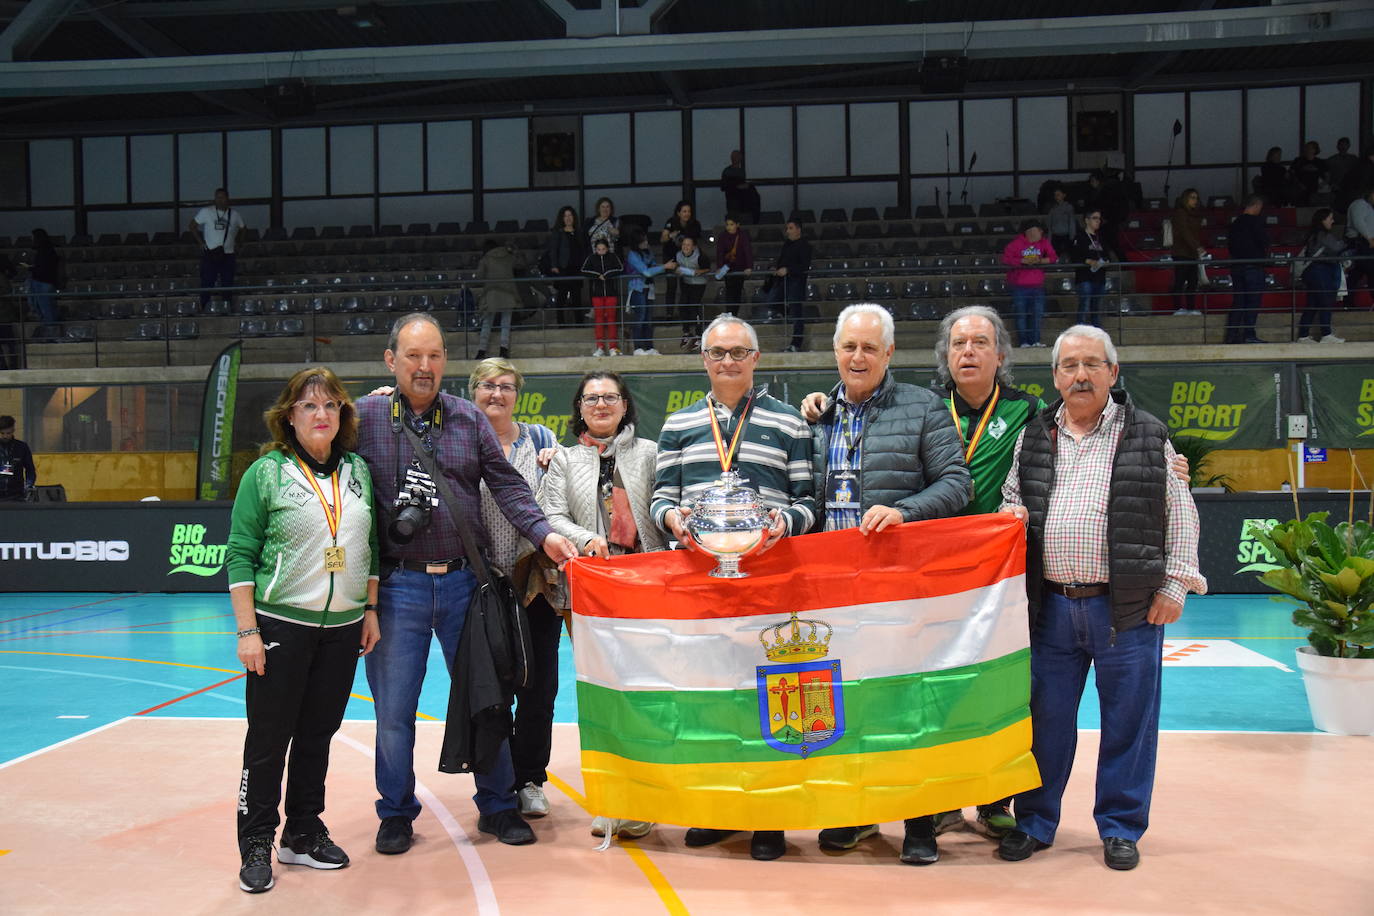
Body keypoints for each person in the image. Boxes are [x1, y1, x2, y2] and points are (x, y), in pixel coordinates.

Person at [354, 313, 577, 856]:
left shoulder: (467, 419)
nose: (424, 367)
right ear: (391, 361)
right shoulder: (360, 418)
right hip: (398, 588)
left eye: (434, 356)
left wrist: (544, 534)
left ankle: (498, 806)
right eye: (412, 356)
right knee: (393, 711)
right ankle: (396, 813)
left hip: (464, 585)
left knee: (488, 699)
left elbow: (507, 487)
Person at [997, 325, 1206, 872]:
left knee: (1129, 724)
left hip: (1128, 609)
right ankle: (1035, 824)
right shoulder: (1035, 435)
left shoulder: (1147, 433)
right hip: (1052, 608)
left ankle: (1120, 828)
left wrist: (1174, 585)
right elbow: (1012, 497)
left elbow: (1179, 513)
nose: (1081, 375)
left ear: (1114, 373)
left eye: (1093, 364)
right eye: (1069, 365)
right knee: (1045, 725)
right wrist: (1010, 515)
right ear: (1056, 377)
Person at [799, 303, 971, 865]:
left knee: (906, 704)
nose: (858, 356)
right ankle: (857, 814)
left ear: (889, 353)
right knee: (845, 704)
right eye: (849, 346)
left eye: (869, 347)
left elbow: (956, 483)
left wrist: (905, 512)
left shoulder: (922, 407)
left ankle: (920, 822)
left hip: (899, 588)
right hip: (831, 590)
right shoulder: (816, 416)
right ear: (835, 350)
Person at [652, 313, 817, 862]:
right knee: (710, 697)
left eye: (738, 352)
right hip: (700, 586)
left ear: (756, 359)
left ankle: (768, 817)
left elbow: (808, 502)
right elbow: (659, 498)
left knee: (768, 696)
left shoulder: (790, 423)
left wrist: (780, 525)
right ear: (704, 359)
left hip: (769, 583)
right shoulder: (677, 424)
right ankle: (721, 810)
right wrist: (674, 520)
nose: (728, 362)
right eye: (718, 353)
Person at [226, 367, 382, 894]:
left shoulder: (358, 471)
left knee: (318, 735)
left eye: (331, 406)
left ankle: (302, 831)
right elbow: (241, 553)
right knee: (269, 741)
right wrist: (248, 631)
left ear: (343, 415)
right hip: (280, 627)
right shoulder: (265, 474)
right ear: (289, 416)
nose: (321, 415)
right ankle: (256, 841)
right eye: (310, 406)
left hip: (343, 629)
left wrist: (371, 609)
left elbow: (371, 547)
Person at [540, 370, 666, 841]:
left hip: (646, 590)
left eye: (609, 397)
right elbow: (549, 515)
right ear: (579, 407)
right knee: (602, 693)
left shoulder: (652, 454)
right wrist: (588, 538)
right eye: (591, 398)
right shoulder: (564, 460)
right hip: (588, 593)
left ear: (625, 405)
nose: (600, 405)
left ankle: (651, 792)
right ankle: (614, 797)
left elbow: (666, 509)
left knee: (647, 691)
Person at [462, 358, 565, 823]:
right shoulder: (458, 438)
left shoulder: (542, 440)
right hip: (480, 585)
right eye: (487, 385)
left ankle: (530, 779)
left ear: (517, 395)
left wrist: (556, 461)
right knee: (492, 689)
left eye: (506, 387)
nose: (496, 394)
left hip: (534, 583)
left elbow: (560, 493)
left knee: (540, 688)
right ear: (472, 391)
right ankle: (497, 781)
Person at [1296, 209, 1349, 344]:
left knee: (1312, 303)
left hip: (1313, 272)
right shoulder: (1322, 235)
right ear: (1322, 220)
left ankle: (1303, 336)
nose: (1332, 221)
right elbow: (1338, 247)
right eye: (1330, 218)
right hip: (1319, 271)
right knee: (1325, 300)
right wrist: (1350, 242)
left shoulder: (1314, 235)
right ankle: (1326, 334)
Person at [1001, 219, 1056, 348]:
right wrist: (1023, 261)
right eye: (1039, 230)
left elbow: (1053, 257)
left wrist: (1040, 261)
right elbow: (1006, 259)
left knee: (1037, 315)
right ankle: (1023, 342)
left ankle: (1035, 341)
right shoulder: (1016, 244)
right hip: (1019, 287)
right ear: (1030, 231)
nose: (1041, 233)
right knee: (1021, 315)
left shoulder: (1044, 243)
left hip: (1037, 286)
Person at [189, 187, 245, 308]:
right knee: (207, 282)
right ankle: (204, 307)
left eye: (222, 197)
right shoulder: (206, 211)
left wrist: (238, 242)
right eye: (217, 197)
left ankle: (227, 307)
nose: (220, 200)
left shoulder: (234, 214)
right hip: (210, 253)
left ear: (227, 199)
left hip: (228, 253)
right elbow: (192, 225)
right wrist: (200, 242)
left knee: (227, 283)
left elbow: (243, 228)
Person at [624, 226, 674, 356]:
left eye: (646, 240)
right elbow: (646, 272)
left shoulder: (648, 252)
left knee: (648, 319)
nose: (646, 243)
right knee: (640, 318)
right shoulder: (632, 255)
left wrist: (664, 267)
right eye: (643, 241)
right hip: (637, 289)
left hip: (649, 289)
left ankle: (649, 347)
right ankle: (638, 348)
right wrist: (664, 266)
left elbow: (652, 267)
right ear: (636, 242)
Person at [1225, 194, 1268, 345]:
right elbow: (1263, 242)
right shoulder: (1256, 222)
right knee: (1252, 302)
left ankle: (1232, 335)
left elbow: (1230, 246)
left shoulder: (1235, 223)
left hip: (1237, 266)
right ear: (1256, 205)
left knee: (1239, 302)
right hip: (1253, 266)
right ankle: (1249, 334)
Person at [765, 220, 811, 352]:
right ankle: (788, 313)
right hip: (783, 281)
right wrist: (776, 268)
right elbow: (782, 260)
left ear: (798, 229)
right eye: (787, 228)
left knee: (797, 314)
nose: (788, 231)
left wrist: (788, 270)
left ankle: (796, 344)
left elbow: (803, 266)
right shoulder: (787, 244)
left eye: (791, 228)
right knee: (772, 301)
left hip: (796, 282)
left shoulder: (805, 246)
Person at [474, 238, 520, 360]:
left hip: (491, 293)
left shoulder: (486, 259)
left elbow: (479, 276)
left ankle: (481, 350)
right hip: (508, 293)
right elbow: (520, 265)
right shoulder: (508, 257)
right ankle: (503, 350)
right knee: (505, 323)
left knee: (487, 323)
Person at [543, 206, 586, 326]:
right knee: (561, 297)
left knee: (577, 297)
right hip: (563, 269)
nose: (568, 218)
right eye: (565, 216)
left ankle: (579, 323)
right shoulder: (558, 232)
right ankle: (561, 323)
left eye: (570, 215)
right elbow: (553, 250)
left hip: (576, 269)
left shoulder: (578, 232)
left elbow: (582, 250)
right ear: (562, 218)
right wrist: (554, 265)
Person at [1070, 210, 1113, 327]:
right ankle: (1080, 332)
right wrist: (1088, 261)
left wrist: (1106, 262)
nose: (1098, 221)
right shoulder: (1079, 237)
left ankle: (1097, 334)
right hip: (1085, 278)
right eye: (1095, 218)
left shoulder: (1101, 238)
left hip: (1100, 278)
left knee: (1097, 308)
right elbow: (1074, 256)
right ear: (1087, 220)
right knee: (1085, 305)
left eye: (1099, 218)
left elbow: (1107, 255)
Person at [581, 237, 623, 356]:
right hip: (597, 293)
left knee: (611, 320)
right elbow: (584, 270)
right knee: (599, 320)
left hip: (611, 293)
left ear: (607, 249)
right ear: (595, 249)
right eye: (599, 249)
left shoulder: (612, 257)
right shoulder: (591, 258)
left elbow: (620, 268)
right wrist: (598, 275)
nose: (601, 251)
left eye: (603, 249)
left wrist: (607, 275)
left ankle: (613, 347)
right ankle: (600, 347)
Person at [1168, 189, 1205, 317]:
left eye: (1196, 198)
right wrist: (1197, 247)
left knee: (1192, 281)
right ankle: (1178, 307)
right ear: (1186, 199)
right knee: (1180, 280)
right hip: (1181, 251)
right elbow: (1184, 232)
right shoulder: (1180, 213)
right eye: (1192, 197)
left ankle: (1190, 307)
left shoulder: (1194, 214)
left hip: (1191, 252)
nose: (1195, 200)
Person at [660, 200, 701, 316]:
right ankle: (669, 315)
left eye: (689, 211)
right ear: (678, 213)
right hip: (671, 257)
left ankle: (686, 314)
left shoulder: (695, 224)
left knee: (686, 286)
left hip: (687, 258)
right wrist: (670, 235)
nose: (687, 214)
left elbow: (697, 244)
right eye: (684, 211)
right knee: (671, 285)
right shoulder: (671, 222)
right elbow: (662, 239)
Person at [671, 235, 711, 351]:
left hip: (699, 284)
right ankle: (686, 333)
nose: (685, 247)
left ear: (693, 247)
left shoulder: (700, 256)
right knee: (683, 306)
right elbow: (674, 266)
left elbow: (707, 268)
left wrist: (698, 272)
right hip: (686, 282)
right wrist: (676, 269)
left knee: (695, 307)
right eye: (684, 244)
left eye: (688, 245)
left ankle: (699, 335)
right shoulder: (678, 255)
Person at [22, 228, 60, 338]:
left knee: (46, 308)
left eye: (32, 237)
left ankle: (51, 334)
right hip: (45, 282)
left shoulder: (44, 251)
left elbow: (42, 269)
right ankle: (50, 332)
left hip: (42, 282)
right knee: (47, 308)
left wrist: (30, 268)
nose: (31, 239)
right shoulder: (48, 250)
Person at [714, 213, 754, 308]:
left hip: (740, 268)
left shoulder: (743, 236)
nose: (729, 227)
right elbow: (720, 252)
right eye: (727, 224)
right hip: (727, 268)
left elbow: (747, 251)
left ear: (737, 225)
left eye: (731, 224)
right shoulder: (722, 236)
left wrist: (749, 267)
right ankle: (731, 314)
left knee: (737, 293)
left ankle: (733, 315)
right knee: (730, 293)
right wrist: (719, 267)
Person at [1343, 185, 1374, 301]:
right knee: (1370, 271)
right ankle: (1348, 302)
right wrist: (1369, 238)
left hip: (1366, 244)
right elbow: (1358, 222)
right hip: (1362, 243)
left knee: (1356, 274)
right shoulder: (1359, 204)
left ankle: (1348, 302)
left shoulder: (1368, 207)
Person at [0, 415, 37, 501]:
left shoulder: (21, 447)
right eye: (2, 433)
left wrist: (29, 485)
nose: (5, 436)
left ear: (13, 430)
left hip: (17, 494)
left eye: (8, 433)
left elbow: (30, 469)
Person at [720, 150, 761, 224]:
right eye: (735, 157)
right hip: (735, 201)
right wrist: (737, 187)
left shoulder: (739, 171)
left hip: (740, 202)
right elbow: (724, 186)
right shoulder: (729, 171)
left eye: (737, 157)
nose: (737, 159)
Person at [1290, 141, 1327, 207]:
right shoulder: (1298, 161)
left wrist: (1322, 184)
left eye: (1310, 148)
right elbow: (1292, 173)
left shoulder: (1320, 162)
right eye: (1306, 148)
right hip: (1300, 188)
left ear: (1315, 150)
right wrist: (1298, 184)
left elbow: (1327, 175)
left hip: (1316, 188)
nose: (1307, 149)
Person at [1326, 137, 1359, 210]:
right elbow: (1327, 175)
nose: (1343, 146)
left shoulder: (1353, 159)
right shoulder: (1332, 160)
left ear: (1348, 146)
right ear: (1338, 146)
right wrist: (1331, 184)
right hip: (1337, 188)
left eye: (1345, 144)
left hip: (1351, 188)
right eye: (1342, 144)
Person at [1047, 186, 1076, 257]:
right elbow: (1050, 226)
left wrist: (1072, 237)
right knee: (1056, 255)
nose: (1056, 197)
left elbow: (1072, 222)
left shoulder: (1069, 207)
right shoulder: (1052, 209)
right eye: (1055, 195)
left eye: (1058, 194)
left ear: (1064, 195)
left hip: (1066, 236)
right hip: (1055, 236)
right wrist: (1049, 239)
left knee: (1068, 255)